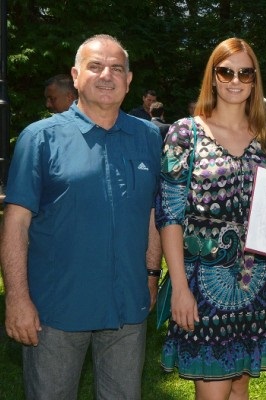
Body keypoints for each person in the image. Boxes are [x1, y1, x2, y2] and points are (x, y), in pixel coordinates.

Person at [0, 34, 162, 400]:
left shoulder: (149, 138)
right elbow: (15, 223)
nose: (107, 75)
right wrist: (17, 298)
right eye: (95, 66)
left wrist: (152, 274)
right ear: (76, 76)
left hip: (126, 308)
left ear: (128, 80)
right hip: (56, 311)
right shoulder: (39, 139)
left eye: (116, 68)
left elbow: (153, 211)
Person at [156, 37, 266, 400]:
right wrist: (180, 287)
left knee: (239, 388)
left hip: (258, 282)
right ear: (213, 76)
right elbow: (170, 215)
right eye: (226, 72)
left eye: (245, 73)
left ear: (255, 80)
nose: (235, 80)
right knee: (214, 391)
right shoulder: (185, 133)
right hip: (202, 286)